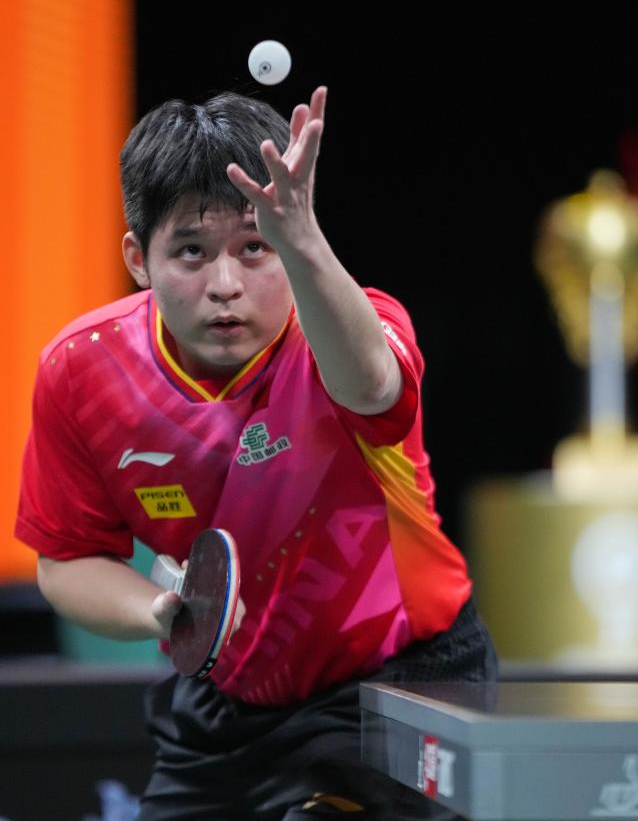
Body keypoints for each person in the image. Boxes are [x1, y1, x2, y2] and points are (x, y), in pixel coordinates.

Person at [16, 85, 498, 820]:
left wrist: (300, 239)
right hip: (226, 698)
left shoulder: (352, 329)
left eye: (255, 247)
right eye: (190, 251)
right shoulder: (82, 371)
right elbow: (67, 560)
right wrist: (163, 612)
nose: (225, 285)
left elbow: (372, 385)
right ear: (138, 259)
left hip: (400, 683)